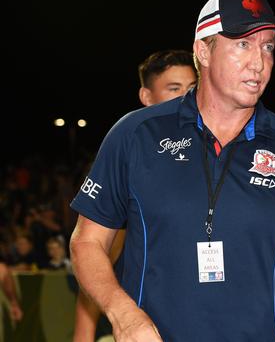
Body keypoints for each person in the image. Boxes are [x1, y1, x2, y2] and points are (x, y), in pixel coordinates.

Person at [69, 0, 275, 341]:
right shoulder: (136, 135)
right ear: (202, 51)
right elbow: (87, 243)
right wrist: (124, 315)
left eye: (267, 47)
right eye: (242, 44)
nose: (258, 62)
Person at [72, 49, 197, 342]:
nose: (185, 97)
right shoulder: (130, 161)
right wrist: (84, 333)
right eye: (173, 89)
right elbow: (94, 253)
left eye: (192, 88)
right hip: (140, 327)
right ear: (147, 97)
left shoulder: (213, 159)